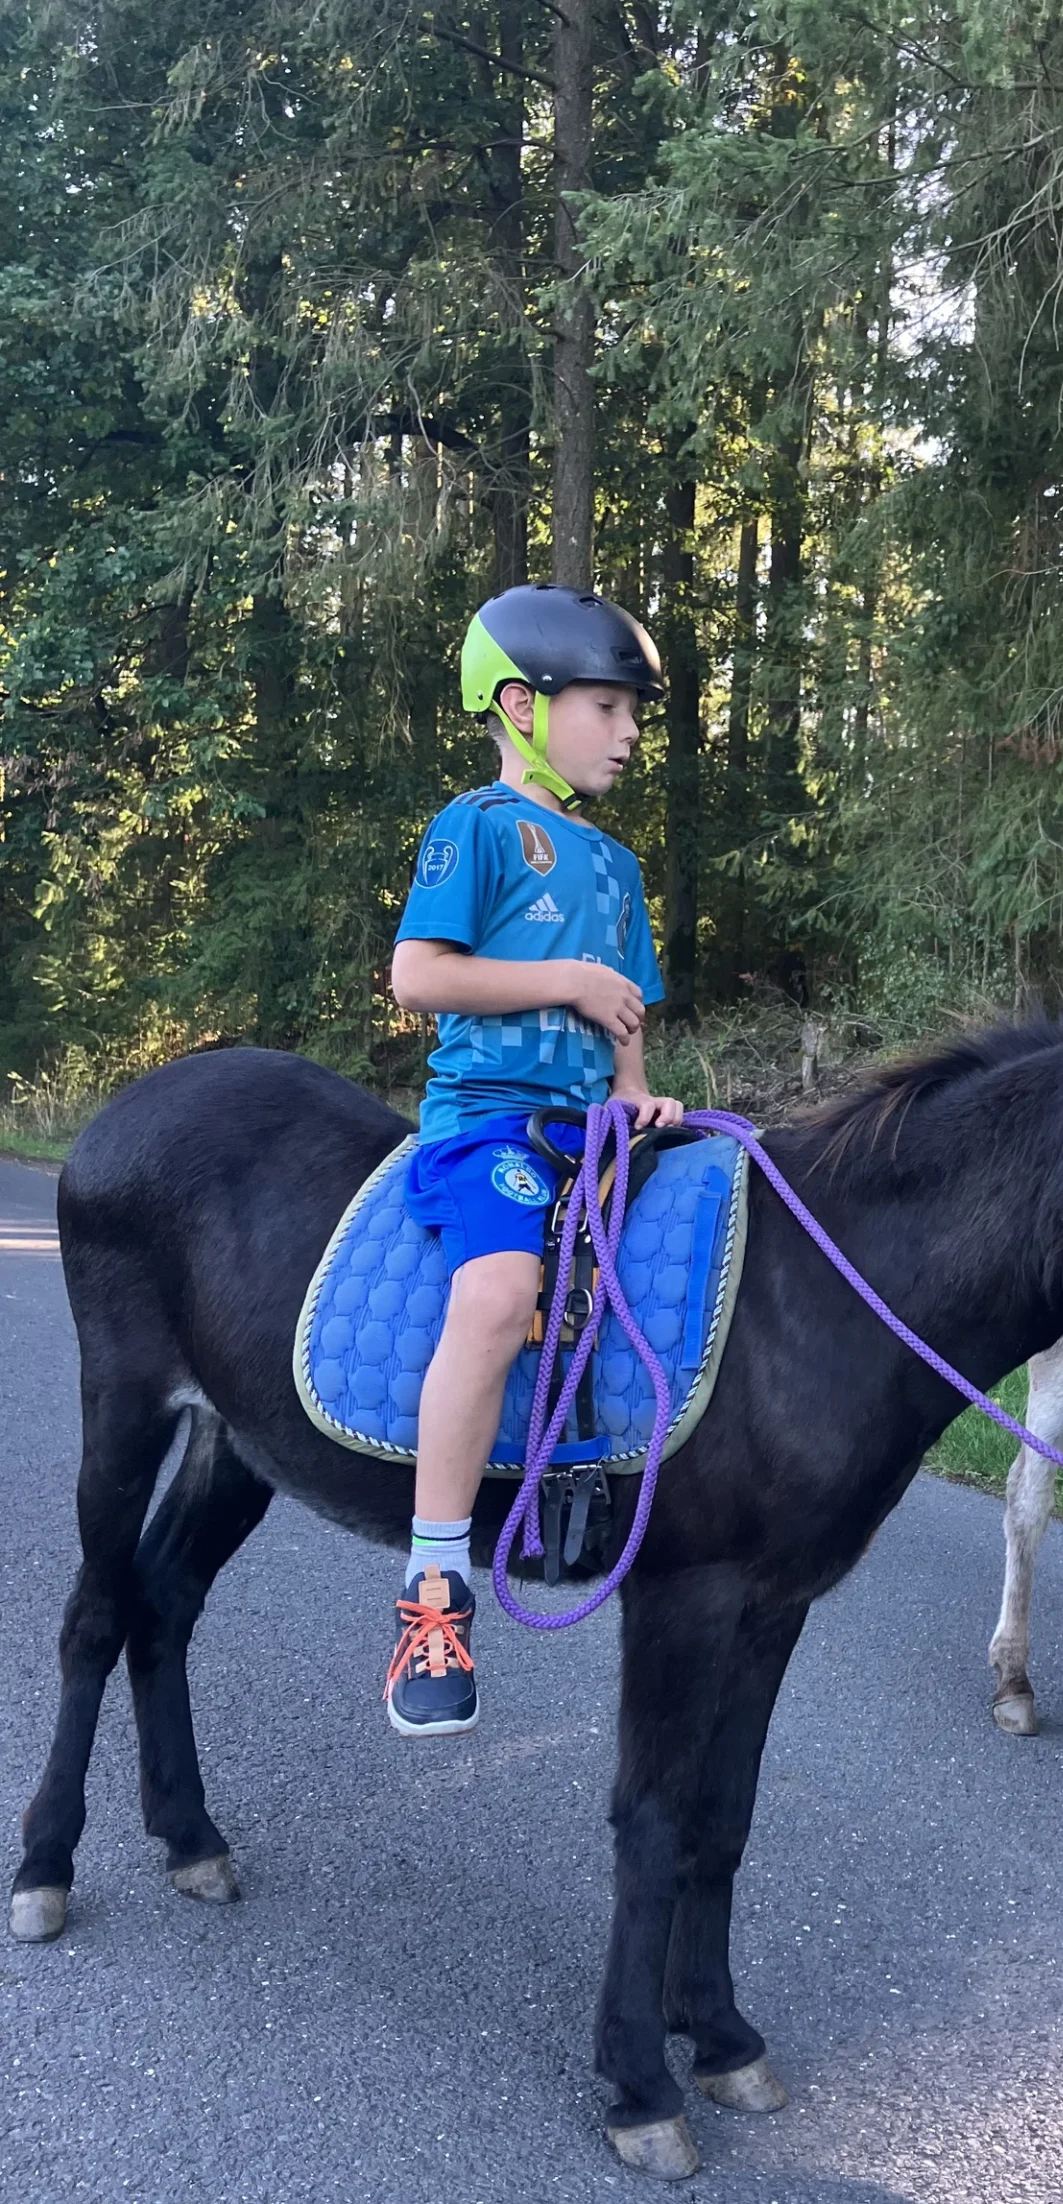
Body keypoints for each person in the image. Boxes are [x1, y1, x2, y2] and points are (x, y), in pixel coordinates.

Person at [381, 584, 686, 1736]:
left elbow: (626, 1010)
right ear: (521, 703)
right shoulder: (476, 826)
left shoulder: (615, 866)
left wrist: (637, 1091)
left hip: (589, 1133)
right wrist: (559, 979)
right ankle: (434, 1584)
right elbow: (419, 976)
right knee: (504, 1291)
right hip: (492, 1126)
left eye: (633, 713)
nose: (627, 731)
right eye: (605, 707)